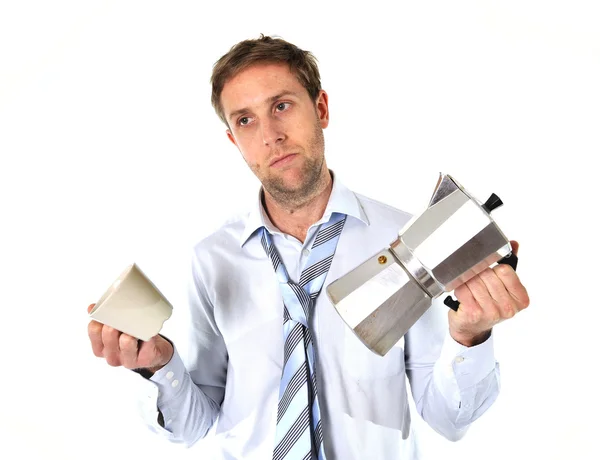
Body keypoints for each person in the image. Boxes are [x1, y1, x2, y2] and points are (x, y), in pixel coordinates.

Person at [87, 35, 530, 460]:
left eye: (281, 106)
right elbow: (192, 426)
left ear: (320, 108)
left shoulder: (408, 240)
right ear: (233, 141)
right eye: (245, 120)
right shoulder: (211, 259)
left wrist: (470, 337)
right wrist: (159, 366)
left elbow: (449, 418)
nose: (270, 135)